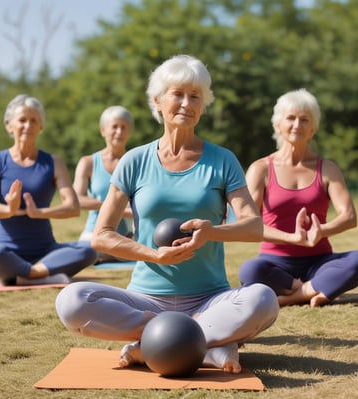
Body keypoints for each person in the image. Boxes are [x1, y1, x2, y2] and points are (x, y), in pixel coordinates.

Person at [55, 55, 279, 374]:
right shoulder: (134, 161)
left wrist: (210, 231)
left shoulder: (223, 160)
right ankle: (199, 345)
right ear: (158, 101)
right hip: (146, 301)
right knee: (71, 301)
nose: (186, 103)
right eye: (178, 94)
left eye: (195, 96)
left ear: (203, 105)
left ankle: (155, 346)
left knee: (263, 299)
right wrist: (152, 255)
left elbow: (253, 227)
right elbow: (102, 235)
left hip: (209, 301)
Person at [239, 88, 358, 308]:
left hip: (320, 260)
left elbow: (350, 216)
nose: (297, 125)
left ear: (313, 128)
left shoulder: (327, 169)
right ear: (278, 124)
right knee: (249, 270)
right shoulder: (260, 169)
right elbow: (247, 224)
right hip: (275, 263)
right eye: (291, 118)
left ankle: (293, 297)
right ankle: (314, 289)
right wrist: (292, 238)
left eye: (304, 120)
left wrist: (322, 230)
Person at [0, 94, 97, 286]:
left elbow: (73, 207)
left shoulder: (53, 162)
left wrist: (39, 213)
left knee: (89, 250)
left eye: (33, 120)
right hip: (4, 250)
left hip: (45, 251)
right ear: (9, 125)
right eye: (22, 120)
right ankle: (40, 274)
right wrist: (9, 210)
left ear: (41, 126)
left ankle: (27, 275)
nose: (28, 125)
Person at [73, 106, 134, 263]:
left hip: (124, 236)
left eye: (123, 127)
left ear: (129, 132)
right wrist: (112, 207)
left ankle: (112, 254)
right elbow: (77, 200)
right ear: (103, 131)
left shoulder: (135, 163)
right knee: (86, 252)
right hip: (93, 234)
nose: (119, 132)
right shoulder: (88, 162)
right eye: (114, 126)